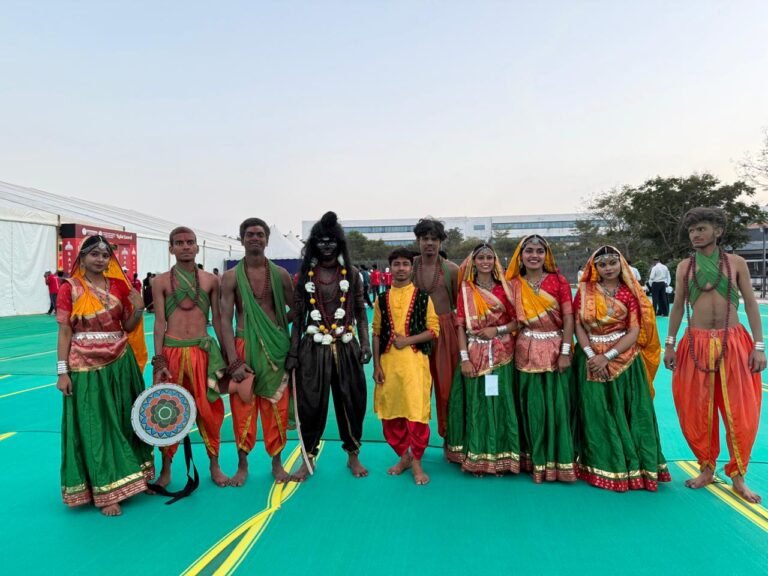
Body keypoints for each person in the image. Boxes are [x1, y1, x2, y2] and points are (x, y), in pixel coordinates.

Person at [664, 207, 765, 503]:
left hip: (733, 342)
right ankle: (706, 468)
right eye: (692, 231)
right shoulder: (685, 267)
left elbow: (751, 304)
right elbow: (678, 306)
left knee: (741, 412)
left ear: (717, 231)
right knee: (696, 409)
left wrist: (759, 347)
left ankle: (738, 476)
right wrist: (670, 344)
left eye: (702, 229)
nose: (695, 235)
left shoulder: (736, 263)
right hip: (695, 344)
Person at [55, 235, 152, 516]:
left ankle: (134, 476)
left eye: (105, 255)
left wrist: (139, 308)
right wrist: (62, 372)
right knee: (96, 426)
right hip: (85, 366)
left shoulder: (120, 286)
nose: (100, 259)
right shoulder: (70, 288)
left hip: (121, 361)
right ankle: (105, 489)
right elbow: (65, 331)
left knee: (125, 419)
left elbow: (128, 326)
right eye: (94, 254)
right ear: (82, 258)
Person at [573, 245, 669, 492]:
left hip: (624, 359)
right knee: (595, 411)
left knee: (630, 412)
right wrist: (592, 355)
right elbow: (578, 326)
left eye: (612, 263)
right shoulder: (584, 291)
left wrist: (608, 357)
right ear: (595, 268)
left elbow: (634, 330)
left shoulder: (630, 293)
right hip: (589, 359)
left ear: (621, 264)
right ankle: (598, 464)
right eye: (602, 264)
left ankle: (635, 467)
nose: (608, 268)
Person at [287, 211, 371, 480]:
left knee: (352, 404)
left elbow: (361, 313)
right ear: (313, 243)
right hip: (313, 348)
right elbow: (299, 318)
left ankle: (353, 456)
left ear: (339, 243)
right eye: (321, 240)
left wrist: (365, 344)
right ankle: (307, 458)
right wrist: (293, 352)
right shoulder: (305, 276)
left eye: (331, 240)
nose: (326, 245)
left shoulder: (352, 274)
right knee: (310, 406)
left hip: (346, 346)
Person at [150, 227, 229, 488]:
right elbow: (159, 323)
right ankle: (166, 470)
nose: (185, 246)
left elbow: (218, 319)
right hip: (171, 353)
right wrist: (159, 360)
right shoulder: (160, 282)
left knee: (210, 410)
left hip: (203, 353)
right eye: (179, 242)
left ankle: (215, 465)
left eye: (190, 242)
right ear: (171, 248)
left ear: (197, 247)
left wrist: (228, 356)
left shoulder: (211, 280)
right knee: (166, 410)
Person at [220, 218, 295, 485]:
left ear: (266, 239)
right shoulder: (230, 277)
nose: (255, 238)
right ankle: (242, 466)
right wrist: (233, 360)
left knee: (277, 406)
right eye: (250, 234)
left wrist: (277, 330)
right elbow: (224, 320)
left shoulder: (280, 274)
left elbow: (298, 309)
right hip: (243, 346)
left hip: (276, 349)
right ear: (242, 239)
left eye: (260, 234)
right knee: (243, 406)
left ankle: (277, 464)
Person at [506, 235, 576, 483]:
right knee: (529, 406)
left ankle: (557, 461)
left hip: (556, 350)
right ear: (521, 255)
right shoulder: (513, 284)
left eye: (539, 251)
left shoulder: (558, 281)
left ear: (546, 255)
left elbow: (569, 318)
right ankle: (533, 461)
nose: (534, 256)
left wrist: (565, 351)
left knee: (557, 408)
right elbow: (509, 320)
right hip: (525, 350)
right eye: (529, 251)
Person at [446, 243, 519, 474]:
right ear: (473, 262)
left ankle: (502, 457)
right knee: (477, 403)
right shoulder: (465, 290)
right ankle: (477, 455)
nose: (485, 262)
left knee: (500, 401)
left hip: (502, 354)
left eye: (490, 257)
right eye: (481, 258)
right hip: (474, 354)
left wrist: (496, 330)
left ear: (495, 261)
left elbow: (517, 322)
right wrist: (464, 358)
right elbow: (460, 327)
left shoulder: (505, 289)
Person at [373, 248, 439, 485]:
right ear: (390, 268)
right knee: (391, 415)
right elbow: (376, 333)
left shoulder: (423, 297)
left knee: (416, 414)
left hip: (415, 365)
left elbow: (434, 330)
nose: (401, 268)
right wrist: (377, 365)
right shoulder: (381, 299)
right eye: (396, 264)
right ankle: (404, 457)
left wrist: (408, 340)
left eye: (405, 264)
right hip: (389, 365)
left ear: (412, 268)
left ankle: (417, 463)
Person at [412, 218, 460, 440]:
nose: (429, 243)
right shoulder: (409, 266)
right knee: (416, 389)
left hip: (445, 332)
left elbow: (459, 304)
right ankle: (415, 442)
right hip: (416, 332)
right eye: (425, 238)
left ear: (441, 242)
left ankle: (451, 438)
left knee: (446, 389)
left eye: (434, 239)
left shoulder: (452, 270)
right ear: (418, 240)